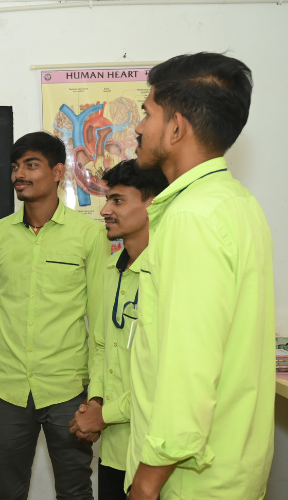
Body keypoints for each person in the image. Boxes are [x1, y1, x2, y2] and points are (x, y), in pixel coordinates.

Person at [124, 53, 274, 500]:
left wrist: (146, 484)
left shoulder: (192, 218)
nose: (138, 127)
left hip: (187, 483)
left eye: (147, 113)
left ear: (176, 128)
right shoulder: (237, 202)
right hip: (230, 470)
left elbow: (189, 368)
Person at [0, 131, 110, 500]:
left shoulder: (90, 235)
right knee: (7, 491)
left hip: (67, 391)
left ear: (58, 172)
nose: (19, 174)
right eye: (15, 166)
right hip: (7, 390)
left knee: (75, 491)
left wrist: (98, 396)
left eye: (31, 165)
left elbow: (101, 323)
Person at [68, 160, 168, 500]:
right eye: (107, 199)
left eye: (118, 200)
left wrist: (104, 415)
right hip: (113, 449)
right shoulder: (112, 269)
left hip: (157, 453)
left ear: (152, 203)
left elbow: (166, 374)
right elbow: (101, 346)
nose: (105, 210)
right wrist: (96, 402)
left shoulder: (169, 273)